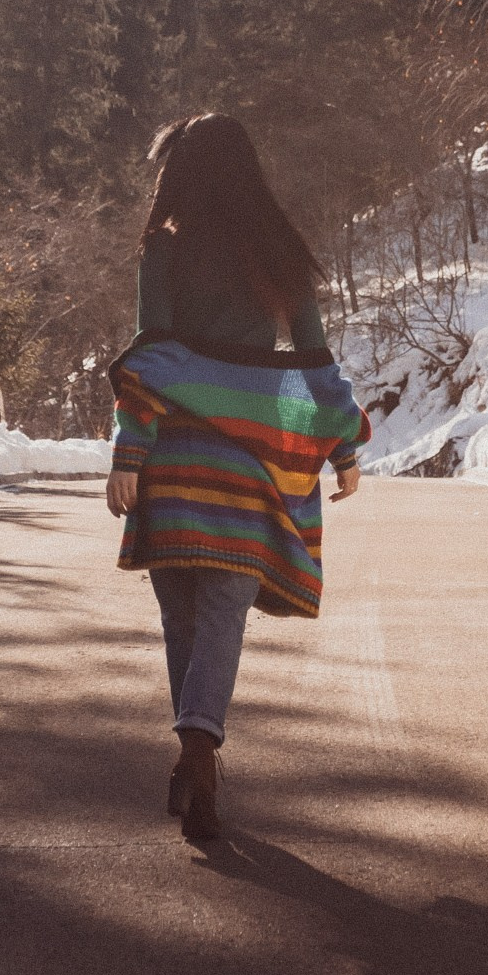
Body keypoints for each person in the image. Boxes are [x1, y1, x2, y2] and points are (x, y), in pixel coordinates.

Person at [107, 114, 369, 844]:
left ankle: (196, 756)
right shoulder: (277, 252)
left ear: (180, 173)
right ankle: (198, 751)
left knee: (181, 614)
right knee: (224, 609)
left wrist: (131, 453)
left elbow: (152, 356)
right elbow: (317, 363)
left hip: (171, 460)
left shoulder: (164, 251)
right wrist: (344, 444)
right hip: (248, 468)